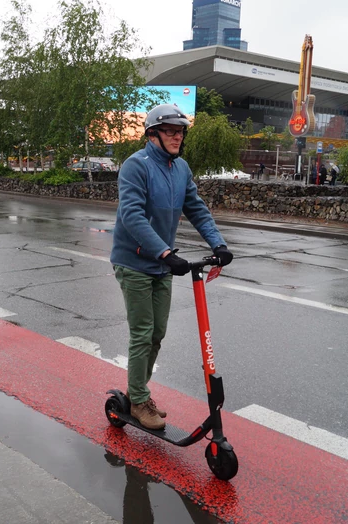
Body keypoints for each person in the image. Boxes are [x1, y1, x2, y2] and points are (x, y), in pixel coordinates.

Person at [110, 103, 234, 430]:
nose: (177, 137)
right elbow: (132, 216)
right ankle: (138, 400)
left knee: (158, 334)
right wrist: (165, 253)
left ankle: (138, 390)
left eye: (180, 132)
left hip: (161, 265)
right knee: (143, 332)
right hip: (134, 261)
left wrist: (218, 244)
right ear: (153, 134)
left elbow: (197, 209)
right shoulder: (135, 167)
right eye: (170, 131)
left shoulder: (181, 169)